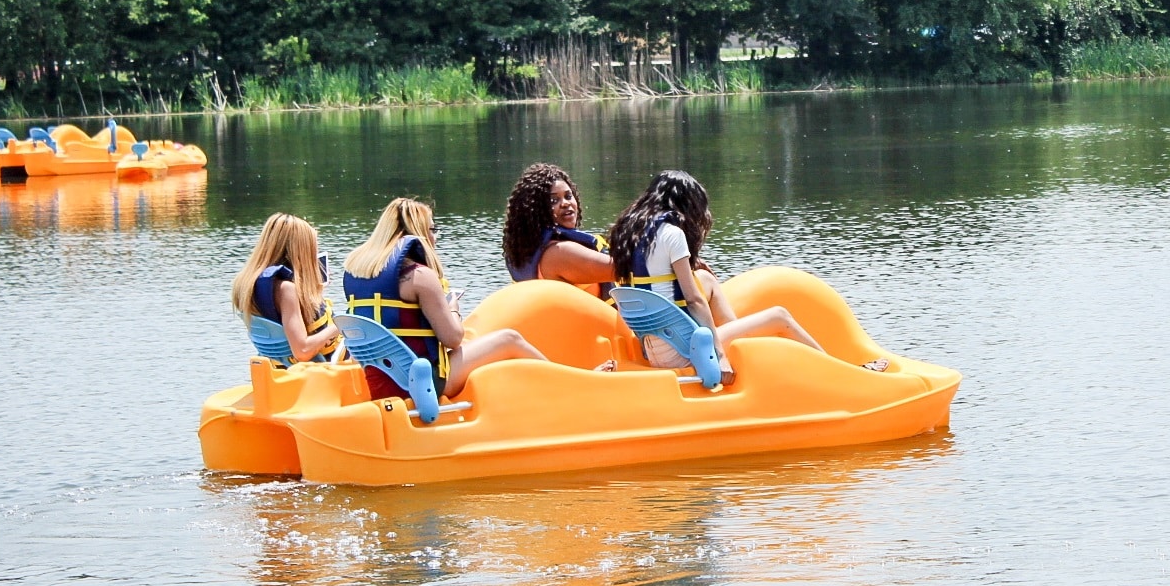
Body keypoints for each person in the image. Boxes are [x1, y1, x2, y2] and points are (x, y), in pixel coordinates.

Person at [606, 170, 887, 375]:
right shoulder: (672, 234)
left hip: (653, 346)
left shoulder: (628, 234)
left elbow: (660, 286)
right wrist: (717, 355)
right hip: (681, 351)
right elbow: (693, 300)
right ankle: (844, 373)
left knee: (704, 279)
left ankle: (746, 349)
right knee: (779, 315)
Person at [343, 197, 546, 400]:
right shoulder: (419, 276)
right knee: (509, 339)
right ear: (419, 232)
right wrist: (453, 308)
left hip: (380, 384)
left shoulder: (358, 274)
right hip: (425, 383)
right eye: (432, 229)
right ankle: (569, 386)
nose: (435, 237)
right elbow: (454, 339)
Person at [231, 212, 341, 363]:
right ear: (299, 253)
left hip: (280, 369)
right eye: (311, 250)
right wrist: (341, 326)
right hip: (314, 375)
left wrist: (314, 291)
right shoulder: (286, 290)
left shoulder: (245, 284)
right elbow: (302, 351)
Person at [502, 163, 616, 288]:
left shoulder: (528, 250)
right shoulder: (560, 252)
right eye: (553, 200)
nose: (565, 203)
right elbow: (626, 269)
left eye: (568, 196)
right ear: (536, 210)